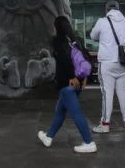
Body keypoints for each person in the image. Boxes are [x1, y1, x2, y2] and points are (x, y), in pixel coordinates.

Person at [37, 16, 97, 153]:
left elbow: (64, 60)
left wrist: (71, 77)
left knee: (76, 113)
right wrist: (84, 77)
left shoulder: (58, 41)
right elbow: (86, 57)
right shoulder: (76, 39)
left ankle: (89, 142)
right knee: (60, 111)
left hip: (68, 82)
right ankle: (48, 136)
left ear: (57, 27)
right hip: (77, 81)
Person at [89, 0, 125, 133]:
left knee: (107, 94)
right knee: (123, 93)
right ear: (119, 9)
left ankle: (105, 124)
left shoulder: (102, 22)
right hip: (124, 62)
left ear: (107, 10)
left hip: (107, 62)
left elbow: (93, 36)